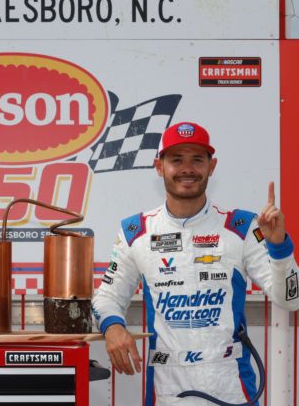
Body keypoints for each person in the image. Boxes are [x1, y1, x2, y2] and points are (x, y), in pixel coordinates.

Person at [92, 121, 299, 406]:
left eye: (197, 159)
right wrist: (113, 327)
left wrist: (279, 248)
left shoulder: (241, 227)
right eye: (177, 159)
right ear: (159, 166)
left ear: (211, 167)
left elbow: (292, 299)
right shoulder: (136, 232)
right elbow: (106, 298)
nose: (187, 168)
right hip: (166, 388)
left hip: (230, 387)